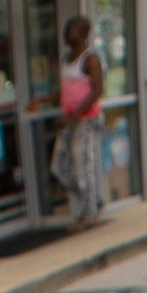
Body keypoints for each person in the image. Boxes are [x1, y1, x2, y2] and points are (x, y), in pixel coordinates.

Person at [54, 18, 106, 228]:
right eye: (66, 29)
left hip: (87, 119)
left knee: (82, 164)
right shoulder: (67, 58)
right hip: (70, 120)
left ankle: (89, 215)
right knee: (60, 167)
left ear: (84, 32)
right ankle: (94, 201)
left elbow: (98, 90)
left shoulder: (91, 58)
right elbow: (67, 89)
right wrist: (41, 101)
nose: (67, 32)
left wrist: (74, 114)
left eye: (71, 29)